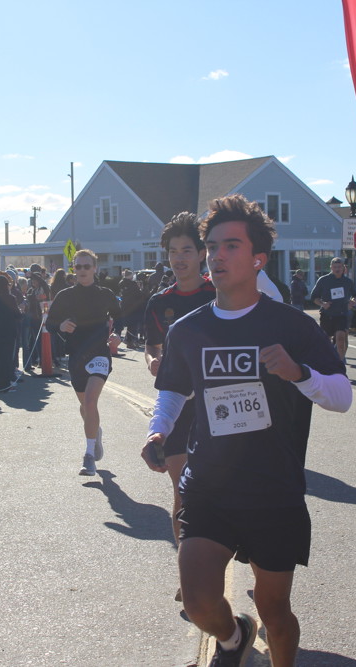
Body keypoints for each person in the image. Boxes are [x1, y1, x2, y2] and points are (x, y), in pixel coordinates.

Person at [143, 194, 352, 667]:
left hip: (272, 489)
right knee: (197, 600)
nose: (216, 255)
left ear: (258, 258)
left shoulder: (291, 326)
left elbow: (342, 395)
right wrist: (159, 431)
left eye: (231, 246)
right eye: (212, 246)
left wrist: (299, 374)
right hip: (209, 485)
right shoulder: (188, 330)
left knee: (275, 611)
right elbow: (173, 389)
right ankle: (234, 637)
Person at [141, 211, 217, 590]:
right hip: (176, 409)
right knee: (182, 492)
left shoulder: (218, 294)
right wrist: (152, 360)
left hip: (216, 406)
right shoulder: (159, 302)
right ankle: (189, 577)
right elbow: (151, 346)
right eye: (173, 251)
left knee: (220, 493)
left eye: (187, 250)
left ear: (202, 254)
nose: (179, 258)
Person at [46, 249, 121, 476]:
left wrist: (117, 334)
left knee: (90, 401)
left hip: (99, 354)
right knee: (85, 406)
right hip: (76, 356)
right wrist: (60, 326)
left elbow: (120, 316)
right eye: (77, 266)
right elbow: (50, 323)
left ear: (95, 268)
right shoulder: (65, 296)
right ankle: (95, 432)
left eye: (86, 266)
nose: (82, 270)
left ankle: (89, 456)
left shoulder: (105, 294)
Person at [310, 257, 356, 361]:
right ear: (331, 268)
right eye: (335, 267)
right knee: (326, 342)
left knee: (341, 339)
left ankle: (340, 364)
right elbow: (314, 297)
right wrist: (323, 304)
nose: (337, 269)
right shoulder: (323, 280)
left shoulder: (347, 282)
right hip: (327, 315)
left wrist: (353, 301)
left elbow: (355, 295)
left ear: (343, 268)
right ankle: (327, 361)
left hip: (341, 314)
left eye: (339, 267)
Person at [0, 274, 22, 393]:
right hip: (8, 332)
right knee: (6, 359)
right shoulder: (10, 298)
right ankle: (5, 384)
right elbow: (17, 315)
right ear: (6, 285)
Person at [118, 268, 146, 349]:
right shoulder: (133, 284)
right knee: (133, 325)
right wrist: (140, 289)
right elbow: (139, 294)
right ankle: (130, 341)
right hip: (133, 306)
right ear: (130, 276)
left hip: (124, 305)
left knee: (124, 324)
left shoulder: (121, 283)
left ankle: (122, 339)